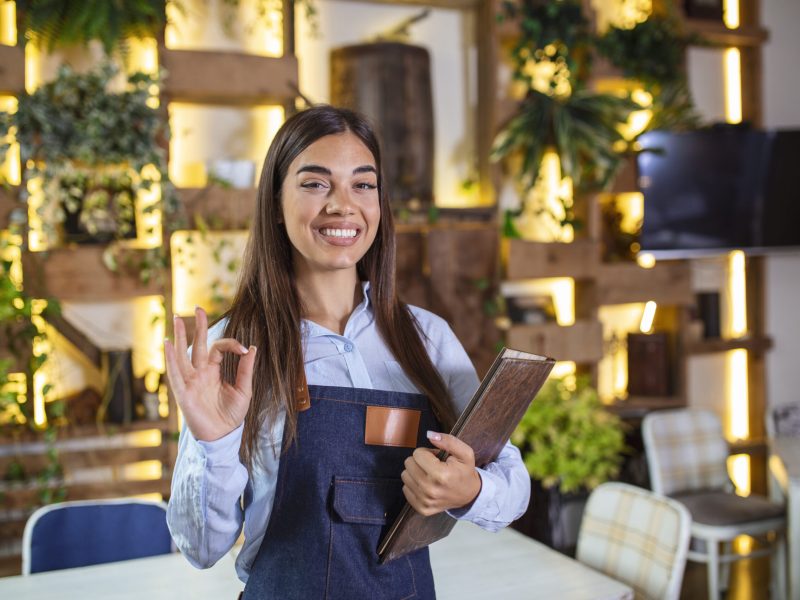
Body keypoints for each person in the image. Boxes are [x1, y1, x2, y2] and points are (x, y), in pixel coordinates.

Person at [165, 105, 530, 599]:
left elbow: (513, 480)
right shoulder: (233, 350)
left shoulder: (426, 338)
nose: (343, 204)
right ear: (275, 202)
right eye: (315, 184)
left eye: (363, 185)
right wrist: (213, 443)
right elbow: (200, 548)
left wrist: (471, 491)